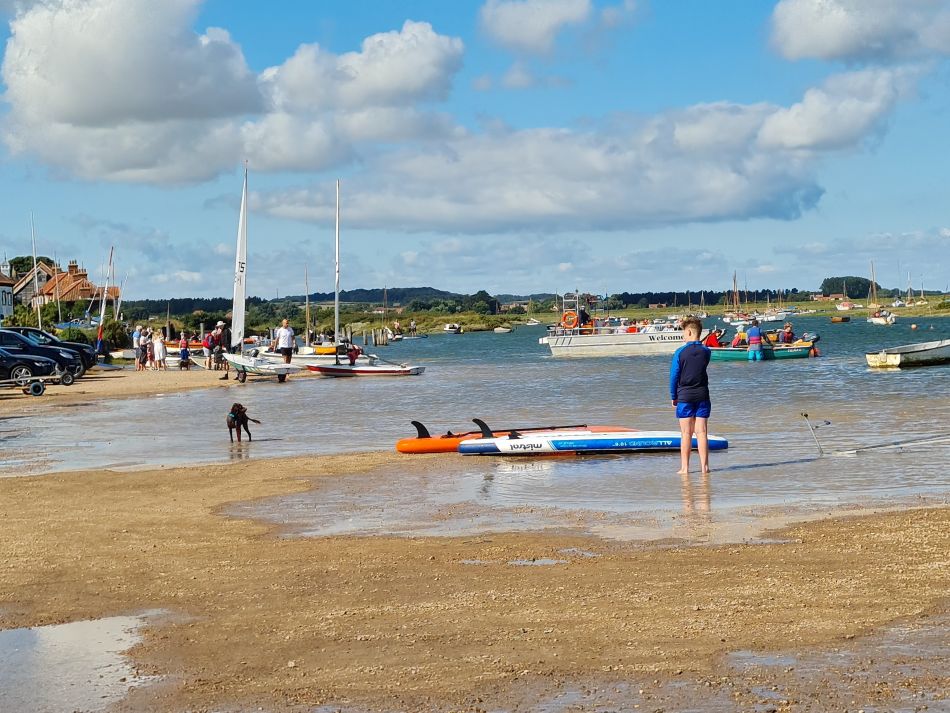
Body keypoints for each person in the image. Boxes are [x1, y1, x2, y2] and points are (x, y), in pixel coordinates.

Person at [670, 316, 711, 475]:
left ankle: (685, 468)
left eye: (683, 333)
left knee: (686, 433)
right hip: (702, 394)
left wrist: (674, 395)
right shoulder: (706, 351)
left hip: (685, 396)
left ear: (689, 332)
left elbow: (674, 375)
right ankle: (705, 468)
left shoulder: (679, 352)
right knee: (702, 432)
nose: (682, 336)